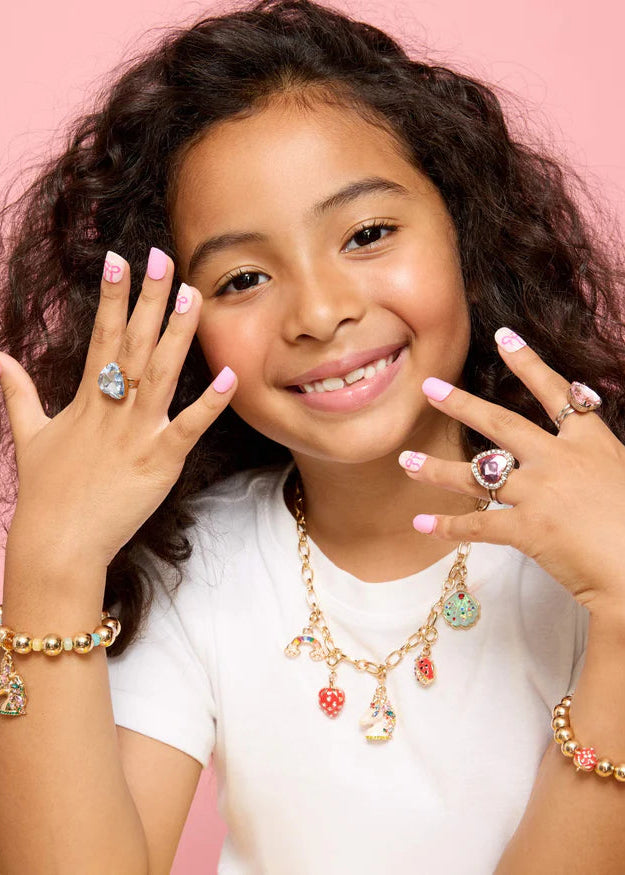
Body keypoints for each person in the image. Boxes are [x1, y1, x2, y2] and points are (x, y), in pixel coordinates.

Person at [1, 0, 624, 871]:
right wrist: (51, 562)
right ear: (177, 322)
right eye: (244, 277)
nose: (322, 312)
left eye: (367, 234)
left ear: (467, 232)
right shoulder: (200, 561)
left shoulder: (601, 529)